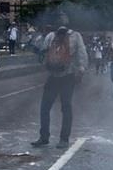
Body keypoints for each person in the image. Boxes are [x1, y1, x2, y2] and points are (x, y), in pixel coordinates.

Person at [31, 17, 88, 149]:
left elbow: (42, 51)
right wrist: (81, 70)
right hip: (68, 76)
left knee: (45, 107)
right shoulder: (75, 36)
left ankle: (44, 137)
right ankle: (63, 139)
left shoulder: (51, 35)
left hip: (54, 76)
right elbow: (82, 54)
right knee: (66, 107)